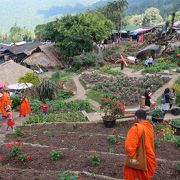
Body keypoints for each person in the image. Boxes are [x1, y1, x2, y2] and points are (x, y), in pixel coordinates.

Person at [123, 109, 156, 180]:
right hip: (149, 158)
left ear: (135, 117)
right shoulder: (149, 127)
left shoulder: (136, 128)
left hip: (140, 160)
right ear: (145, 118)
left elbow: (129, 147)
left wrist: (135, 159)